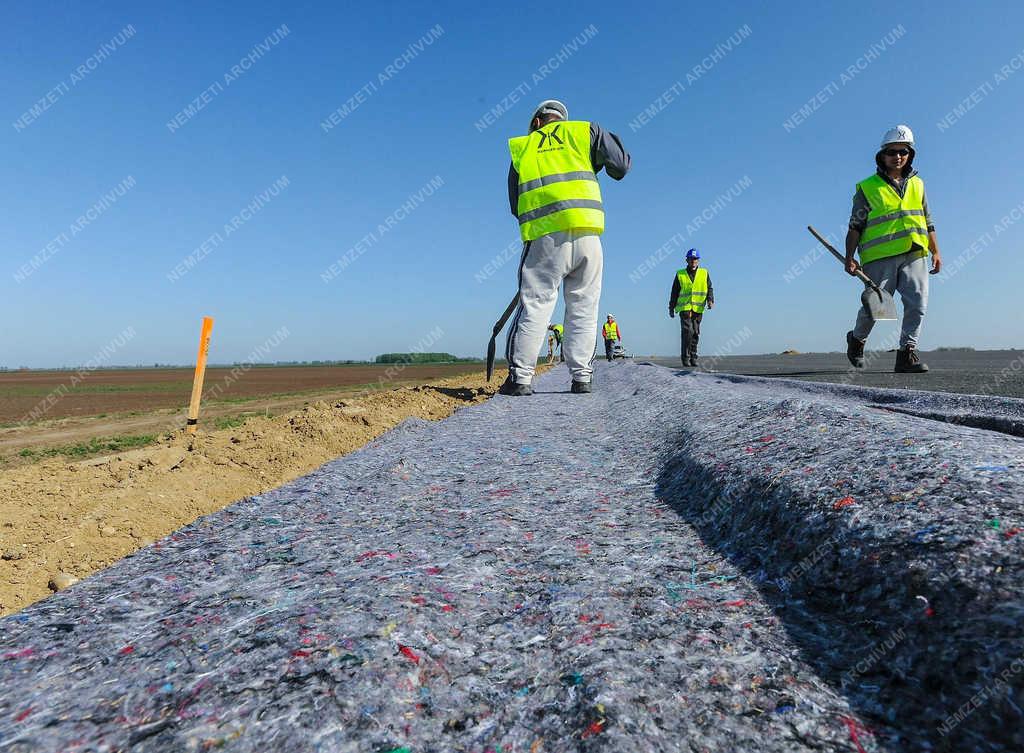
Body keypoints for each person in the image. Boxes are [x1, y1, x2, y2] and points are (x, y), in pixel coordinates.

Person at [500, 99, 631, 396]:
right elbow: (620, 167)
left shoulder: (524, 147)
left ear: (536, 122)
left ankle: (520, 379)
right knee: (584, 306)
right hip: (588, 234)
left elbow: (515, 205)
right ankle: (581, 378)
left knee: (536, 304)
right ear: (561, 119)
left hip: (544, 237)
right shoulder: (586, 132)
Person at [845, 124, 942, 373]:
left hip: (915, 252)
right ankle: (856, 340)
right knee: (877, 308)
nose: (897, 156)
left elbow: (928, 220)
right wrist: (849, 257)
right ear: (882, 156)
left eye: (903, 151)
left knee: (917, 304)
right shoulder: (867, 188)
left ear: (910, 155)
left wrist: (936, 251)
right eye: (892, 152)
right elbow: (855, 226)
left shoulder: (918, 184)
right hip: (880, 256)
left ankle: (906, 354)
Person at [668, 248, 713, 367]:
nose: (693, 261)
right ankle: (685, 358)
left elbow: (709, 288)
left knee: (695, 333)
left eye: (695, 259)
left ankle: (693, 357)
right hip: (685, 308)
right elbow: (674, 292)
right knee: (687, 331)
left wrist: (710, 300)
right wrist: (671, 308)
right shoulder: (680, 274)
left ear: (698, 260)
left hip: (698, 309)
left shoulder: (704, 273)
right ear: (686, 260)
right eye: (691, 259)